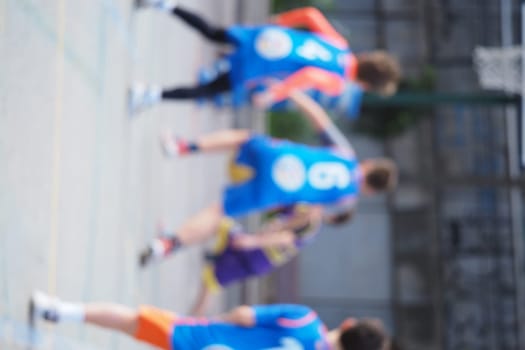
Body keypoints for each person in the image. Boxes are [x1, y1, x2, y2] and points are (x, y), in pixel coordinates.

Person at [129, 1, 401, 113]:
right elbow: (309, 75)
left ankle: (166, 5)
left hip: (270, 39)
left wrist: (280, 20)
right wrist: (277, 93)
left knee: (213, 32)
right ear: (364, 85)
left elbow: (311, 15)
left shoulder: (340, 45)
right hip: (262, 63)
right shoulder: (338, 82)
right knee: (209, 89)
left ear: (365, 57)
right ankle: (149, 94)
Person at [159, 90, 398, 218]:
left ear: (369, 164)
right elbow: (309, 215)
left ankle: (183, 147)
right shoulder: (345, 201)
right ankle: (168, 244)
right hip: (279, 191)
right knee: (221, 211)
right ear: (370, 191)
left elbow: (318, 117)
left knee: (242, 138)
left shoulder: (346, 155)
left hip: (282, 158)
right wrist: (278, 220)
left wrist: (291, 91)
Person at [138, 203, 352, 316]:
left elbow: (285, 238)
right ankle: (173, 241)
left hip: (256, 257)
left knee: (210, 282)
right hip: (253, 249)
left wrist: (251, 242)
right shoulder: (305, 207)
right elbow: (277, 206)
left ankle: (184, 327)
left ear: (332, 215)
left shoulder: (310, 226)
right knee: (219, 224)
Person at [28, 291, 393, 350]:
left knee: (132, 320)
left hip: (205, 339)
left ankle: (59, 311)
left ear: (347, 324)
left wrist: (213, 320)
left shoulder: (304, 320)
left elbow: (245, 315)